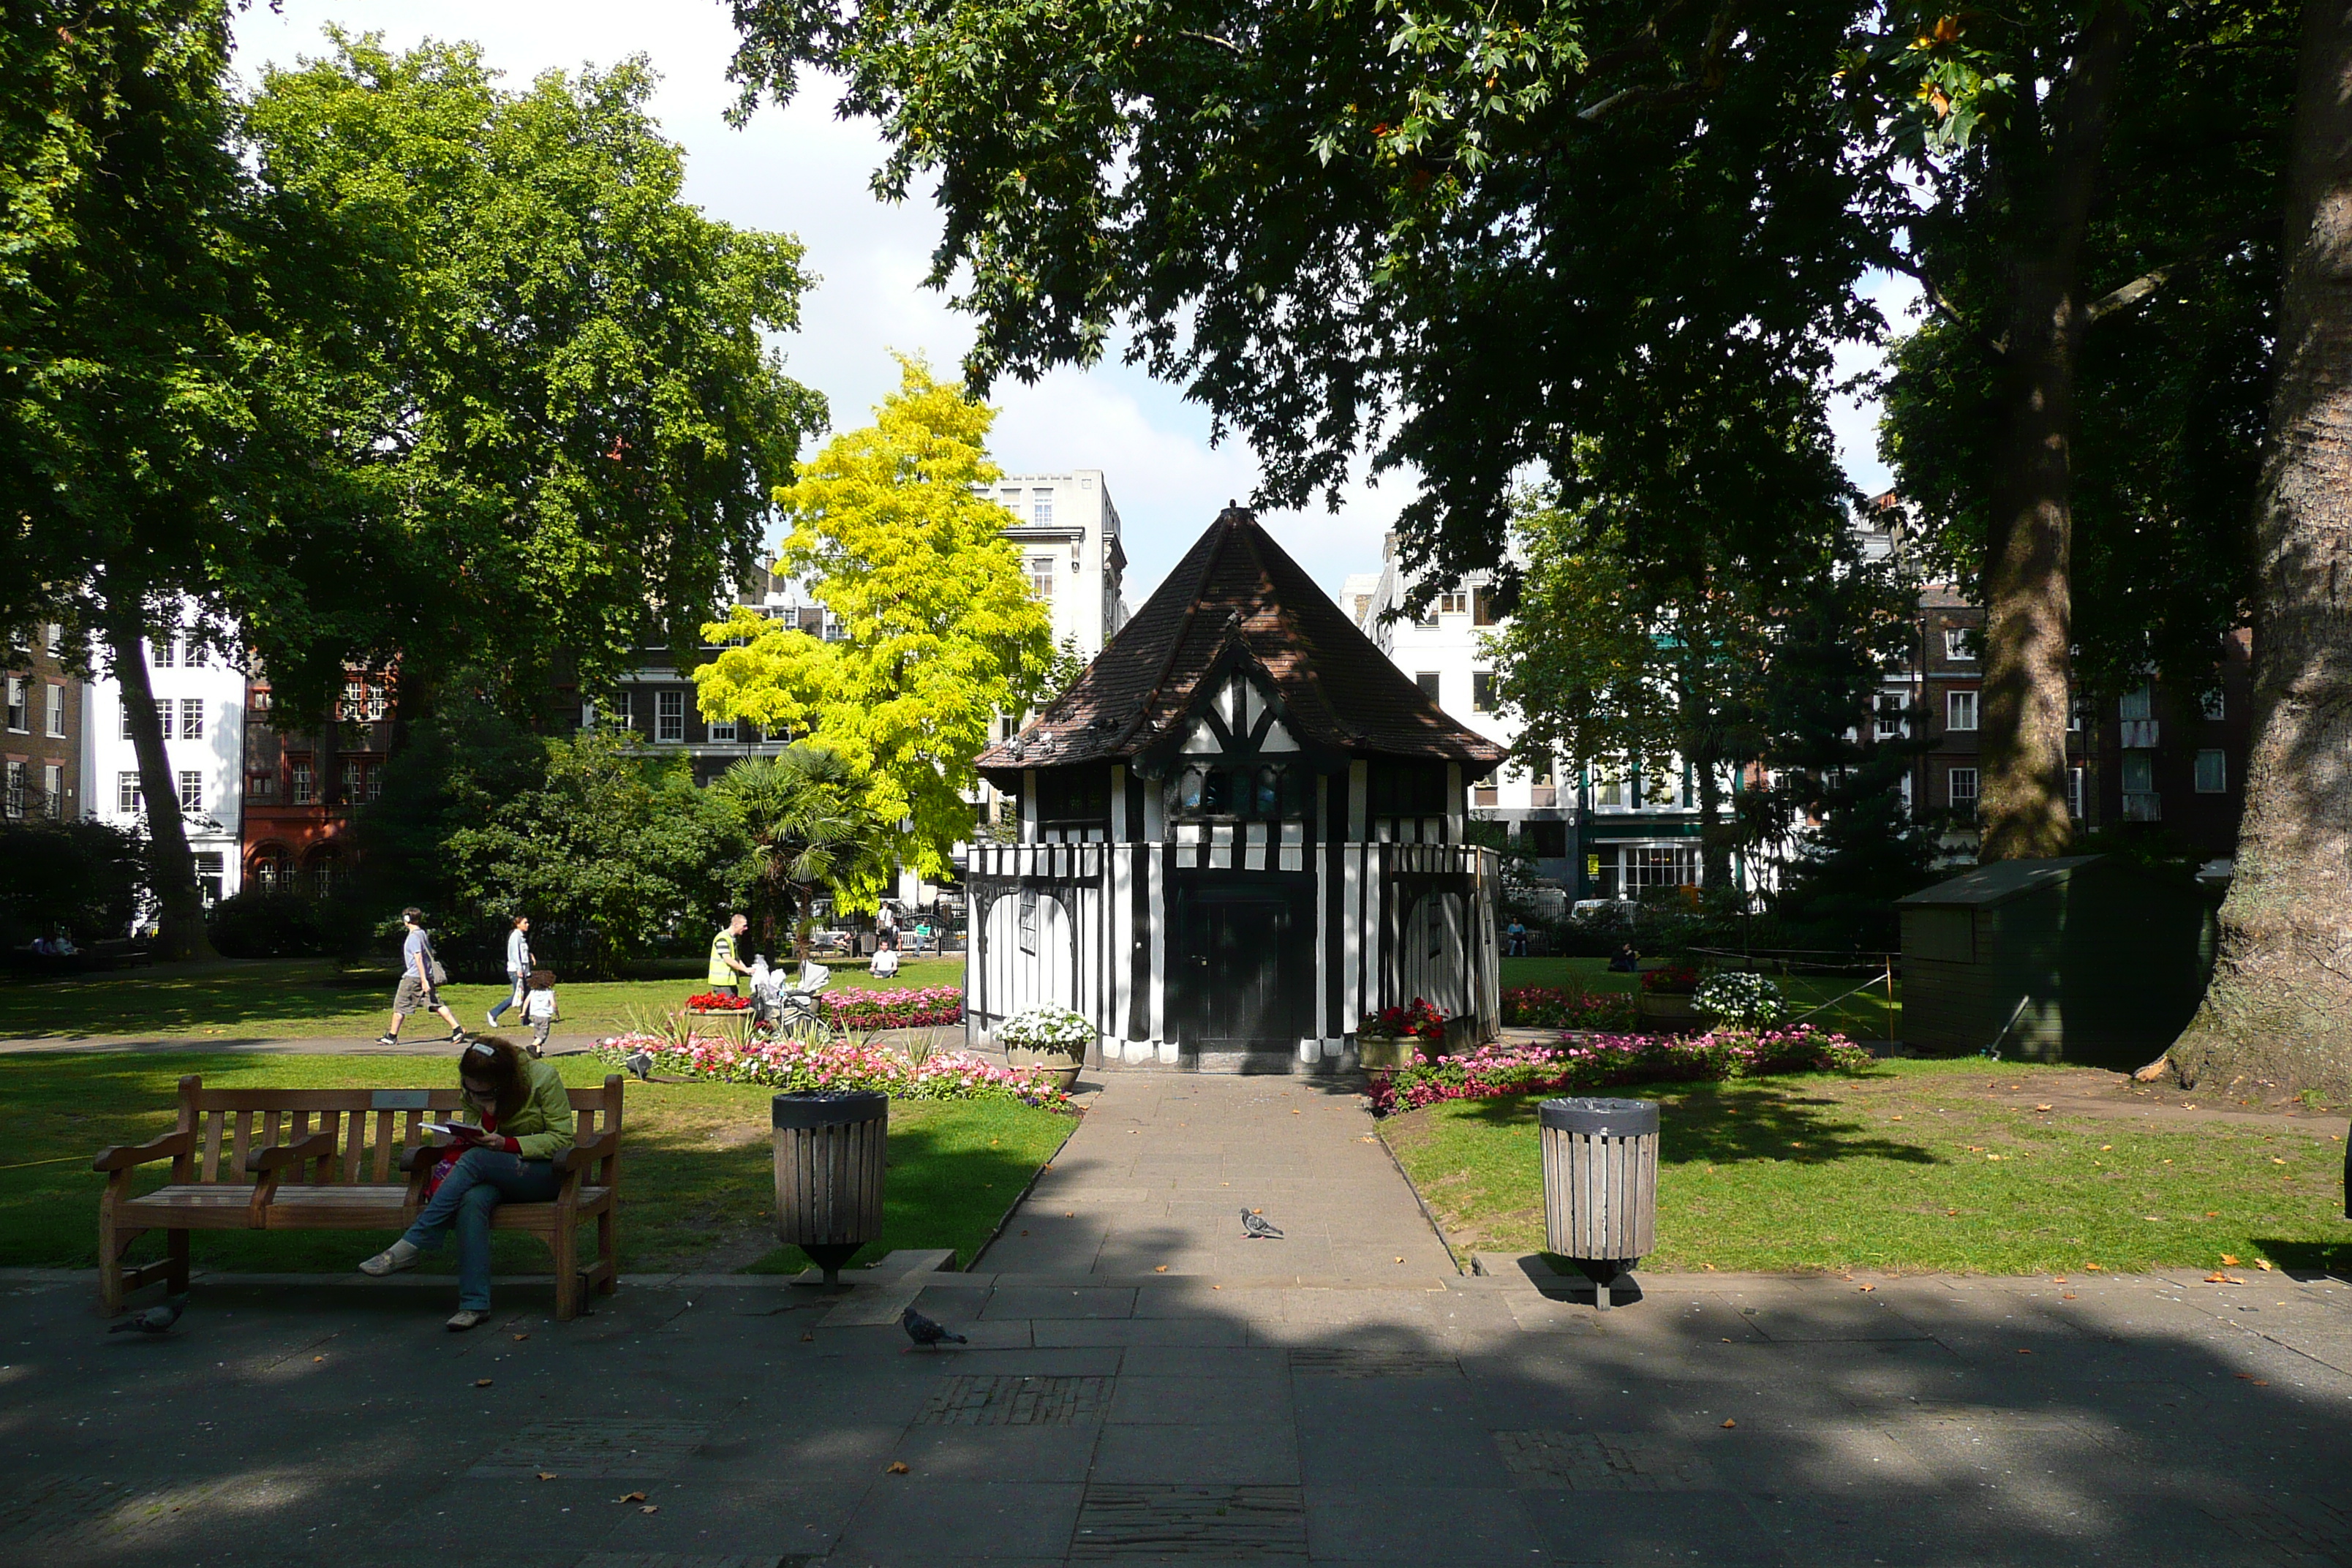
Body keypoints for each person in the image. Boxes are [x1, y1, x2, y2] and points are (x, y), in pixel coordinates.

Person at [356, 1036, 575, 1330]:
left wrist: (507, 1143)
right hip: (492, 1171)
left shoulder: (543, 1079)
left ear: (503, 1083)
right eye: (469, 1089)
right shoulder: (474, 1089)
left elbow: (562, 1140)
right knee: (472, 1200)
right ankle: (474, 1304)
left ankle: (413, 1244)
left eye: (480, 1092)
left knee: (475, 1161)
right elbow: (476, 1131)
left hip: (543, 1173)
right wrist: (487, 1113)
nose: (472, 1096)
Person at [378, 908, 466, 1047]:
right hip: (424, 976)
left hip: (414, 978)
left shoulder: (413, 937)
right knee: (435, 1003)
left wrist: (424, 980)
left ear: (407, 920)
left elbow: (418, 959)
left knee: (400, 1005)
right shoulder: (422, 933)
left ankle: (392, 1036)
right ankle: (458, 1029)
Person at [487, 914, 533, 1030]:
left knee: (527, 994)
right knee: (516, 996)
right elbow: (514, 954)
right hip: (516, 971)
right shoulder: (515, 935)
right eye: (525, 923)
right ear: (518, 924)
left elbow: (522, 952)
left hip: (524, 971)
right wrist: (519, 969)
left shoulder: (522, 936)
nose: (527, 925)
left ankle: (525, 1020)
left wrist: (530, 955)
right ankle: (493, 1013)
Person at [707, 911, 753, 997]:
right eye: (744, 926)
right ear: (735, 925)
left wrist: (747, 969)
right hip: (722, 982)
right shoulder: (722, 938)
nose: (746, 928)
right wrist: (744, 970)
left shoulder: (731, 939)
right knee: (729, 1008)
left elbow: (736, 958)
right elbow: (728, 959)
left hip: (728, 982)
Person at [520, 969, 559, 1057]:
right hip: (545, 1016)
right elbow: (553, 1004)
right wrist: (557, 1013)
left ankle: (538, 1052)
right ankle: (532, 1046)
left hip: (535, 1015)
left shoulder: (533, 992)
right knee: (543, 1035)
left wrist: (523, 1012)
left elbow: (526, 1002)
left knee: (538, 1033)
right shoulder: (549, 992)